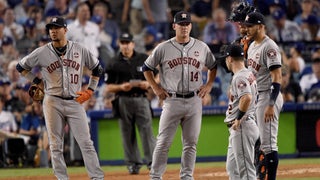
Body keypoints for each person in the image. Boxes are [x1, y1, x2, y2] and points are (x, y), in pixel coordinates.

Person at [15, 16, 104, 180]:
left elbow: (98, 69)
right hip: (52, 101)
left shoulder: (79, 49)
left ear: (65, 30)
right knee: (55, 145)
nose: (53, 31)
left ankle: (97, 177)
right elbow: (20, 66)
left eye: (56, 27)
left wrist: (91, 90)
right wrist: (36, 81)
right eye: (51, 28)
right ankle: (62, 178)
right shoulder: (42, 52)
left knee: (86, 143)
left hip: (75, 101)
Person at [143, 11, 217, 179]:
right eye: (181, 24)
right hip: (172, 100)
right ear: (174, 26)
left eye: (187, 24)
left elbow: (213, 66)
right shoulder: (163, 47)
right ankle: (155, 176)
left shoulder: (201, 46)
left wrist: (210, 84)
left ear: (191, 26)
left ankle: (186, 176)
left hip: (194, 100)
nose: (184, 27)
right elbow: (146, 68)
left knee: (191, 144)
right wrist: (155, 88)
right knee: (163, 143)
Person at [104, 32, 156, 174]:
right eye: (123, 43)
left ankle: (152, 162)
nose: (125, 45)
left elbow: (157, 76)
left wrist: (148, 83)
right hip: (122, 100)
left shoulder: (143, 58)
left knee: (147, 132)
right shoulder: (113, 62)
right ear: (119, 44)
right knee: (127, 134)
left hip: (141, 98)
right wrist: (121, 87)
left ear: (133, 44)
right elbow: (108, 86)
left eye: (128, 42)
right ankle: (133, 164)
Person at [244, 12, 284, 180]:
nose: (247, 29)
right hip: (258, 96)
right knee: (260, 143)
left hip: (268, 95)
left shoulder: (270, 47)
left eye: (250, 26)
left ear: (260, 26)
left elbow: (277, 76)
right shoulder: (252, 45)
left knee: (268, 144)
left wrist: (271, 104)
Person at [221, 44, 259, 180]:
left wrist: (238, 118)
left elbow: (247, 97)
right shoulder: (248, 73)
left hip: (242, 125)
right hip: (243, 126)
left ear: (230, 59)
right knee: (232, 169)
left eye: (226, 59)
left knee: (246, 172)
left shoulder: (240, 77)